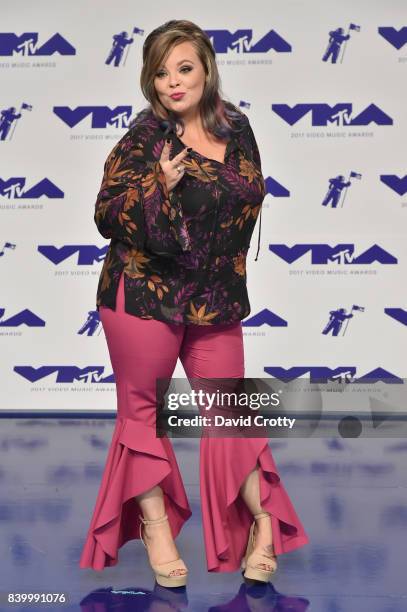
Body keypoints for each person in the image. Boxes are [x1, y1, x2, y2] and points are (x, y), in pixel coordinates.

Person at [79, 19, 309, 587]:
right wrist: (158, 184)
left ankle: (262, 524)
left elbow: (246, 198)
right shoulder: (144, 137)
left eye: (184, 68)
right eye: (161, 73)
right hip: (143, 295)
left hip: (213, 297)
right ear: (149, 81)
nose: (173, 83)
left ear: (207, 69)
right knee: (144, 414)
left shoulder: (238, 128)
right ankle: (155, 528)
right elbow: (107, 214)